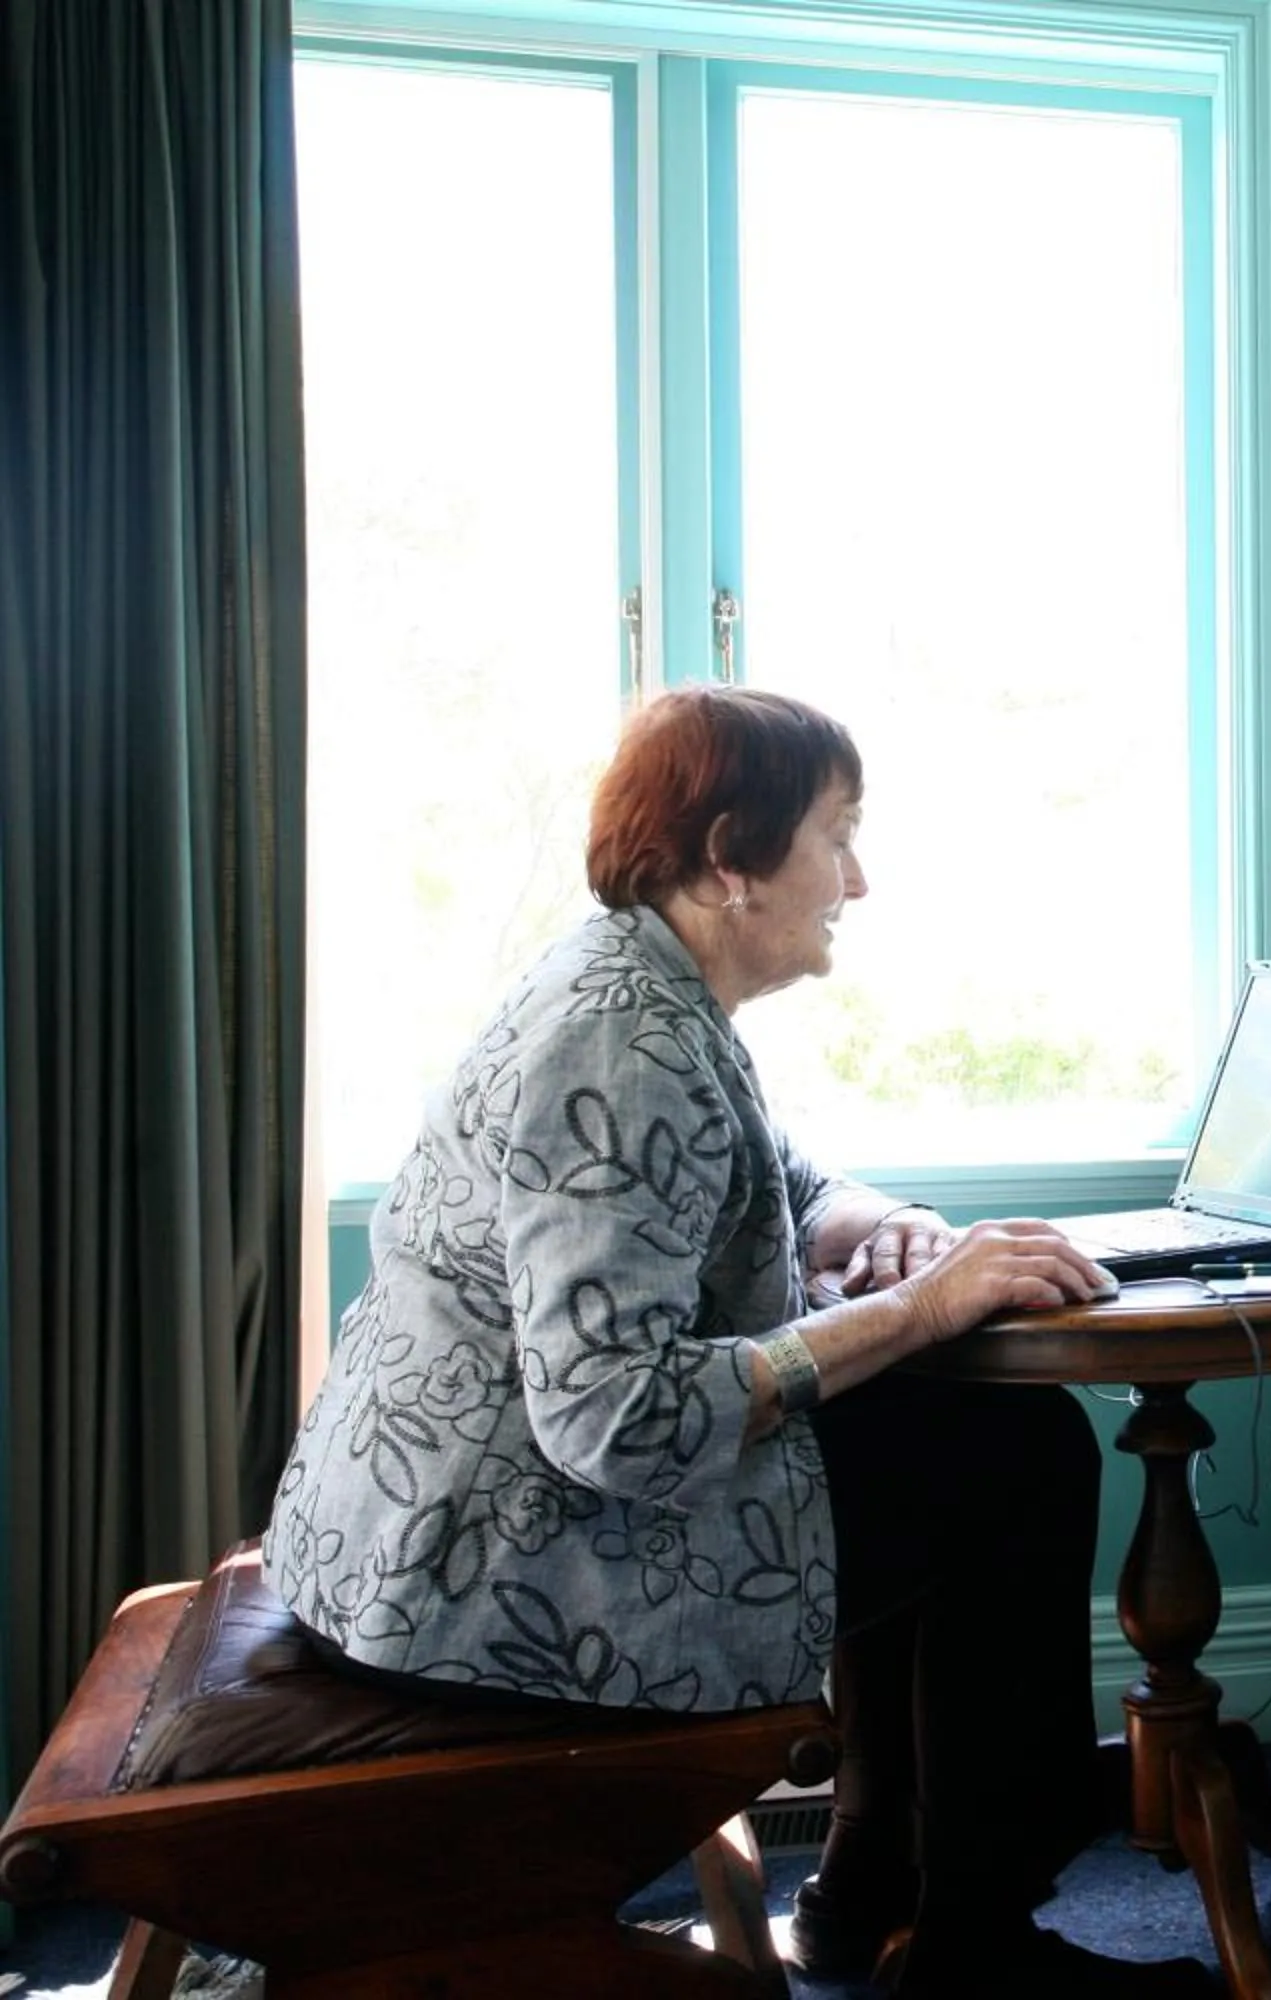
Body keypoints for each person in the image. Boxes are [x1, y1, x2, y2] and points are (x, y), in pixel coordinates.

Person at [264, 686, 1217, 1998]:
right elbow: (616, 1420)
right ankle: (973, 1949)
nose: (859, 879)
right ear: (730, 856)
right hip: (495, 1574)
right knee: (1013, 1456)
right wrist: (920, 1309)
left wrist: (892, 1229)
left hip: (448, 1529)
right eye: (837, 835)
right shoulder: (620, 1042)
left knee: (960, 1441)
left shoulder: (637, 985)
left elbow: (780, 1173)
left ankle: (874, 1889)